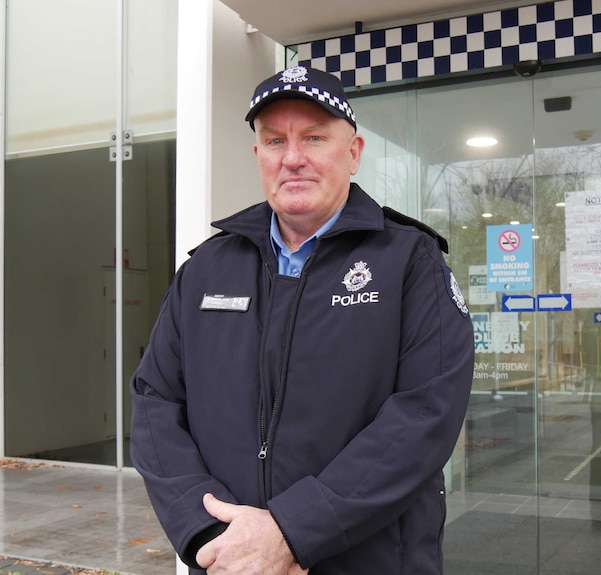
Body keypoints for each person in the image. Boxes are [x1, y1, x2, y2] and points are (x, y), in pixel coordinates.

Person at [130, 65, 475, 575]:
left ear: (353, 153)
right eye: (274, 141)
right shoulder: (206, 269)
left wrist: (292, 532)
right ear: (258, 155)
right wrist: (210, 533)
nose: (292, 158)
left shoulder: (409, 261)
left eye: (314, 137)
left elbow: (426, 415)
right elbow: (155, 403)